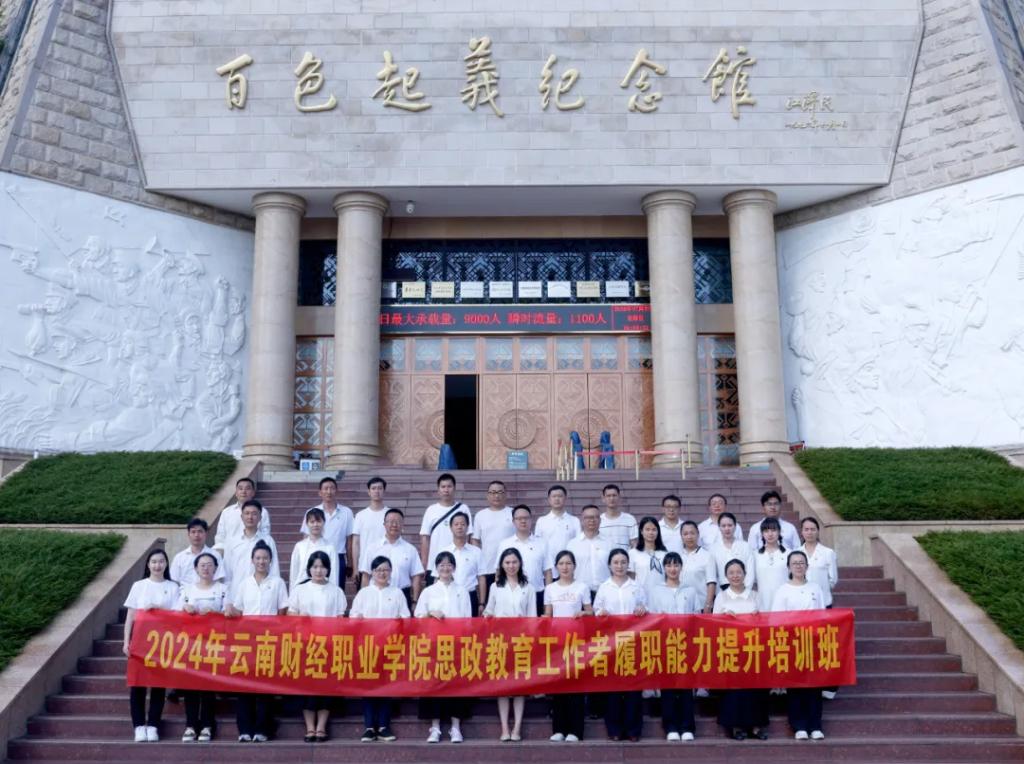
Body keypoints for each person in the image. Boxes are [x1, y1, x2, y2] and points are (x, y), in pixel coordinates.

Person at [226, 540, 288, 743]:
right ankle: (244, 729)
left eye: (265, 558)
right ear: (252, 560)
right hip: (247, 641)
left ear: (271, 560)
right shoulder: (245, 584)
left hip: (269, 641)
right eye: (258, 558)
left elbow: (282, 611)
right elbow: (239, 610)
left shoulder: (278, 583)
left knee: (264, 687)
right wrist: (229, 610)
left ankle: (262, 729)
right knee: (244, 686)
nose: (262, 561)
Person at [288, 551, 347, 742]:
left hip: (328, 645)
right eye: (315, 566)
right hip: (306, 645)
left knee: (325, 687)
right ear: (309, 569)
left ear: (328, 569)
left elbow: (340, 618)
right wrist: (300, 617)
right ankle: (310, 727)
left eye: (322, 566)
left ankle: (321, 726)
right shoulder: (300, 589)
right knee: (307, 687)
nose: (319, 570)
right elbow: (290, 614)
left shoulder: (336, 591)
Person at [350, 555, 410, 742]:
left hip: (390, 646)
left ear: (391, 572)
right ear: (372, 573)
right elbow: (353, 617)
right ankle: (369, 727)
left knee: (386, 687)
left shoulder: (397, 593)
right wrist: (358, 619)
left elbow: (406, 618)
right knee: (368, 687)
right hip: (368, 647)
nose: (382, 573)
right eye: (378, 570)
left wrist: (398, 622)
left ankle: (384, 726)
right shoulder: (364, 593)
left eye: (386, 570)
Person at [123, 548, 179, 742]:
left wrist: (157, 607)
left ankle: (153, 725)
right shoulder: (139, 586)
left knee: (158, 685)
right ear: (148, 564)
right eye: (154, 562)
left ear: (166, 564)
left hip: (163, 641)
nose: (157, 565)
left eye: (161, 561)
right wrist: (126, 641)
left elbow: (177, 615)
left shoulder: (173, 587)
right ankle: (139, 726)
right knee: (138, 684)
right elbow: (130, 616)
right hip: (140, 640)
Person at [416, 551, 472, 743]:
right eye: (441, 565)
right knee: (434, 685)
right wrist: (430, 613)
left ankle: (456, 727)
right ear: (436, 568)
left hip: (456, 644)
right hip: (434, 645)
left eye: (449, 565)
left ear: (454, 568)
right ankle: (435, 727)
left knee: (457, 685)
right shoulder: (428, 591)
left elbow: (468, 619)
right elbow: (418, 617)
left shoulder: (462, 590)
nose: (445, 568)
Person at [772, 551, 827, 740]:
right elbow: (777, 619)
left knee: (814, 685)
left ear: (807, 566)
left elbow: (822, 615)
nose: (798, 566)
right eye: (794, 563)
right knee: (795, 686)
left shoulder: (815, 588)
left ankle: (815, 725)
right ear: (788, 567)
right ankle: (799, 725)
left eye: (801, 562)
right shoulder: (783, 590)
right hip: (792, 642)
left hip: (812, 642)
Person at [593, 548, 647, 741]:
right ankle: (614, 729)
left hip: (633, 642)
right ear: (609, 565)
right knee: (613, 688)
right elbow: (596, 612)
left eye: (623, 562)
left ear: (628, 564)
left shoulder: (636, 586)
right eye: (615, 562)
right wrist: (601, 613)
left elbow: (645, 608)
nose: (619, 566)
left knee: (633, 688)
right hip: (611, 643)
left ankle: (633, 730)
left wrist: (642, 609)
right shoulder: (604, 587)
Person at [483, 548, 537, 741]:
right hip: (501, 641)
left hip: (521, 641)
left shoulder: (528, 588)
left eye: (514, 562)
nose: (511, 566)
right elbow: (489, 610)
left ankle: (517, 728)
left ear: (520, 563)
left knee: (520, 687)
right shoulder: (495, 587)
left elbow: (532, 617)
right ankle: (505, 728)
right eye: (507, 562)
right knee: (503, 686)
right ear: (502, 565)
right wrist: (488, 616)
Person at [713, 558, 769, 740]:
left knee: (755, 688)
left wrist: (757, 617)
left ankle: (756, 726)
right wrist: (724, 618)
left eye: (739, 572)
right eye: (731, 573)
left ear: (745, 574)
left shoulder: (755, 595)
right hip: (730, 649)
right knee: (734, 691)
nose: (735, 576)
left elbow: (766, 621)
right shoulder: (721, 597)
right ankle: (736, 726)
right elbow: (713, 624)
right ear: (726, 576)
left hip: (753, 648)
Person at [176, 552, 227, 743]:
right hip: (191, 645)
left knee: (208, 686)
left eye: (210, 565)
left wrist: (215, 613)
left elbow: (229, 613)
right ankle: (190, 725)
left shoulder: (223, 589)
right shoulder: (188, 590)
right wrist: (185, 608)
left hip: (213, 645)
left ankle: (207, 725)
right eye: (202, 565)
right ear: (196, 569)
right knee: (190, 686)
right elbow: (175, 613)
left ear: (216, 568)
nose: (206, 568)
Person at [648, 552, 699, 741]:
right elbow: (652, 618)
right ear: (664, 568)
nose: (673, 569)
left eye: (676, 565)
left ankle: (687, 727)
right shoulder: (656, 591)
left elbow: (696, 615)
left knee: (686, 686)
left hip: (686, 643)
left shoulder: (690, 590)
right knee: (668, 686)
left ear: (681, 567)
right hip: (665, 642)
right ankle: (670, 726)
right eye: (669, 565)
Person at [544, 550, 593, 742]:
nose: (565, 567)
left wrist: (583, 613)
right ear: (556, 567)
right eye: (561, 564)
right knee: (558, 684)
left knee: (576, 685)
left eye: (568, 563)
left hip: (577, 641)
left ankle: (575, 731)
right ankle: (559, 729)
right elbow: (548, 615)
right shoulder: (550, 588)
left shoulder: (582, 587)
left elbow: (590, 612)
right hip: (557, 642)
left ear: (574, 566)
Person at [798, 516, 840, 699]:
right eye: (806, 529)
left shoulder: (827, 553)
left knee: (825, 645)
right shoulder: (796, 553)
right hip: (802, 607)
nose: (809, 532)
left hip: (823, 605)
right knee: (805, 645)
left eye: (812, 529)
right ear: (801, 532)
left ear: (818, 531)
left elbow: (833, 579)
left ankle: (829, 686)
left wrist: (819, 591)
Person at [360, 508, 424, 610]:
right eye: (390, 521)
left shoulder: (410, 549)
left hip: (403, 594)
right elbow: (366, 575)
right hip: (376, 595)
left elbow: (416, 576)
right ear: (384, 524)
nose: (394, 524)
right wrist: (363, 599)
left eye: (398, 522)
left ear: (402, 525)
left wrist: (415, 601)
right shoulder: (372, 548)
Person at [493, 504, 550, 614]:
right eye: (519, 518)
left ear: (531, 520)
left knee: (536, 625)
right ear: (513, 521)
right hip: (510, 596)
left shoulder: (542, 543)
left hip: (537, 594)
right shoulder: (505, 544)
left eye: (526, 518)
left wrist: (547, 599)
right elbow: (498, 572)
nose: (523, 521)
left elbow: (548, 572)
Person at [421, 473, 473, 586]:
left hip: (458, 564)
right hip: (435, 564)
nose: (446, 490)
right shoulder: (431, 510)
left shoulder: (463, 508)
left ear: (454, 488)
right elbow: (425, 538)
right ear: (438, 490)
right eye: (443, 487)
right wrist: (424, 563)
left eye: (449, 486)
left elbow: (468, 536)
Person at [299, 477, 354, 583]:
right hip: (316, 557)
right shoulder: (312, 512)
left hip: (338, 557)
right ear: (320, 492)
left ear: (337, 491)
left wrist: (350, 563)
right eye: (326, 488)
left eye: (332, 488)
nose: (329, 491)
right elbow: (306, 538)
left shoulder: (346, 512)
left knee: (337, 589)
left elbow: (349, 541)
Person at [222, 499, 279, 600]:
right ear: (241, 517)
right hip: (236, 593)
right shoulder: (232, 542)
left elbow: (274, 569)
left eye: (254, 514)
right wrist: (227, 598)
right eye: (247, 513)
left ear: (260, 517)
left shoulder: (268, 541)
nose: (250, 517)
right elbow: (227, 572)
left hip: (261, 594)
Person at [470, 480, 514, 592]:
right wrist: (478, 560)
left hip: (511, 566)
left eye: (500, 492)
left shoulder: (513, 513)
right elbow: (475, 540)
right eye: (493, 492)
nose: (496, 495)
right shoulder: (480, 515)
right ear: (487, 495)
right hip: (488, 566)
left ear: (505, 494)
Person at [443, 511, 486, 615]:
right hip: (448, 596)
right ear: (451, 528)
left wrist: (482, 603)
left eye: (462, 524)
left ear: (468, 527)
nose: (459, 527)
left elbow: (481, 578)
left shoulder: (476, 551)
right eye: (456, 524)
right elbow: (437, 578)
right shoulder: (444, 551)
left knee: (471, 625)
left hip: (470, 595)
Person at [213, 477, 270, 553]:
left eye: (247, 488)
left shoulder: (262, 512)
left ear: (253, 492)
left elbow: (265, 534)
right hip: (230, 552)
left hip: (253, 552)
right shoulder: (226, 512)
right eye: (240, 488)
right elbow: (220, 536)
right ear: (236, 493)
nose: (243, 491)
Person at [567, 504, 611, 601]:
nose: (592, 520)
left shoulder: (610, 543)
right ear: (582, 520)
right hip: (580, 594)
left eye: (595, 517)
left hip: (605, 593)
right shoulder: (572, 544)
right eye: (588, 517)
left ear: (600, 520)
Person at [352, 476, 390, 588]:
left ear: (384, 491)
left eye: (380, 488)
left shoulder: (390, 514)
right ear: (368, 492)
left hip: (386, 566)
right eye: (373, 488)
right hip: (365, 566)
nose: (376, 491)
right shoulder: (360, 516)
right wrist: (355, 568)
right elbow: (356, 543)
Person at [290, 507, 339, 587]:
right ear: (307, 524)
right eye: (312, 522)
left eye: (318, 521)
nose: (315, 525)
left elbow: (333, 575)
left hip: (324, 588)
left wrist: (332, 591)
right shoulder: (299, 546)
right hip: (302, 588)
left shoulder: (330, 547)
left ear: (324, 522)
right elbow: (294, 573)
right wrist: (293, 591)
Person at [534, 485, 581, 566]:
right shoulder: (541, 521)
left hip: (568, 566)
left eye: (560, 496)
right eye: (554, 496)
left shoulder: (574, 520)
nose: (557, 499)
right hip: (548, 566)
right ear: (549, 499)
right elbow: (538, 545)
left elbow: (578, 544)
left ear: (565, 499)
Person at [170, 518, 225, 585]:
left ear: (206, 533)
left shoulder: (215, 555)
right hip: (185, 591)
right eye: (193, 532)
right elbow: (174, 581)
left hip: (209, 590)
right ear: (188, 534)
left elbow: (219, 579)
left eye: (200, 531)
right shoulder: (179, 558)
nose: (196, 535)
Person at [710, 512, 755, 590]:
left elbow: (750, 572)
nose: (727, 528)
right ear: (719, 527)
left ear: (735, 526)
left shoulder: (745, 546)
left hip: (743, 589)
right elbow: (712, 575)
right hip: (721, 590)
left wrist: (746, 590)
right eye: (723, 526)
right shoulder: (713, 548)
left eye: (730, 525)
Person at [680, 520, 717, 613]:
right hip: (681, 606)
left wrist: (708, 605)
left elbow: (711, 582)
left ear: (698, 534)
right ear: (681, 536)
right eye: (685, 534)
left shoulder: (707, 556)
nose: (689, 537)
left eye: (692, 533)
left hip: (701, 605)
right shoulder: (678, 556)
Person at [753, 517, 789, 612]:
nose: (770, 534)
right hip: (763, 602)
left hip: (785, 601)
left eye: (773, 530)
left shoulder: (788, 553)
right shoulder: (756, 555)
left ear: (779, 532)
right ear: (762, 534)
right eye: (766, 531)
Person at [628, 516, 667, 591]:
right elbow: (630, 578)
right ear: (641, 531)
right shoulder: (633, 553)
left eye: (654, 529)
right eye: (647, 529)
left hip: (661, 593)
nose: (651, 533)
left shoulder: (664, 553)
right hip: (640, 594)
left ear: (658, 532)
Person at [598, 484, 637, 549]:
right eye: (608, 496)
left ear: (619, 497)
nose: (612, 498)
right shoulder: (598, 520)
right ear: (603, 498)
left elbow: (634, 544)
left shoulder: (630, 519)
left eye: (614, 495)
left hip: (625, 555)